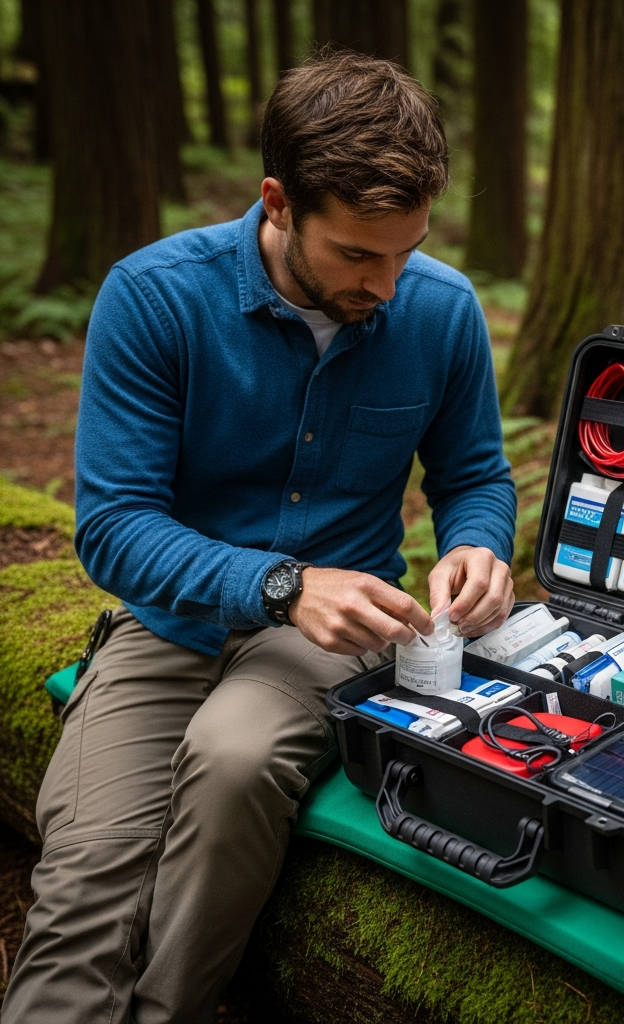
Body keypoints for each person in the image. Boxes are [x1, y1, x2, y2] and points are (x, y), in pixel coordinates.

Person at [3, 51, 517, 1024]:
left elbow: (474, 476)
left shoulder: (441, 312)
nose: (391, 284)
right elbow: (112, 528)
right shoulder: (155, 298)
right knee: (86, 880)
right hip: (171, 624)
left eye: (407, 250)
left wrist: (478, 544)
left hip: (335, 636)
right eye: (360, 257)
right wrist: (280, 582)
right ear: (278, 203)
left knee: (235, 761)